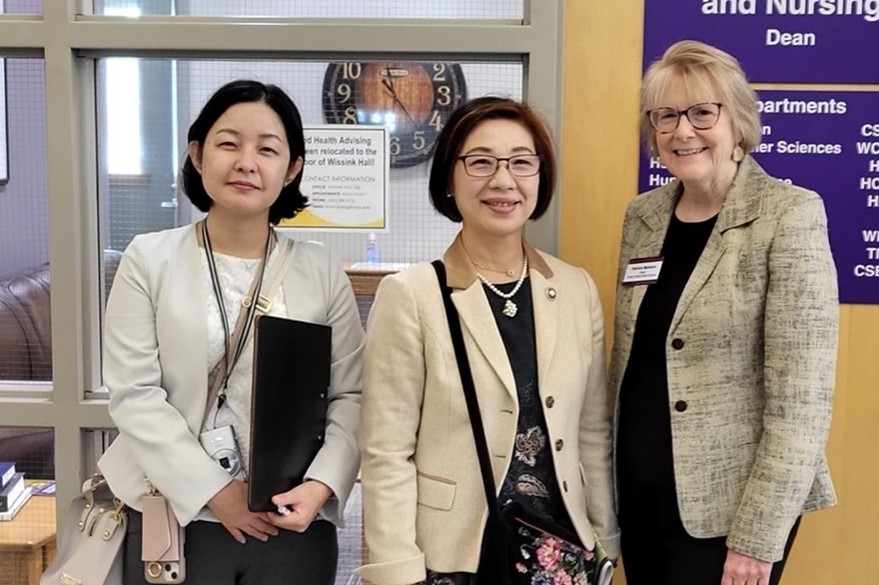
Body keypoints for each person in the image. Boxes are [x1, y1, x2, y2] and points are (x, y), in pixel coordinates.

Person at [99, 79, 364, 585]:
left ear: (291, 170)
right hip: (176, 517)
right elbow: (135, 394)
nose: (247, 162)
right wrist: (214, 491)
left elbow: (350, 393)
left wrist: (322, 485)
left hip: (291, 521)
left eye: (267, 149)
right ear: (198, 155)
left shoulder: (322, 270)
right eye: (228, 143)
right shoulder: (148, 259)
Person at [358, 96, 620, 585]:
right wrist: (395, 570)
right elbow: (386, 451)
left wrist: (603, 540)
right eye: (480, 162)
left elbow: (592, 432)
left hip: (559, 554)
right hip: (453, 557)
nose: (503, 181)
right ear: (450, 181)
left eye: (522, 162)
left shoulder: (576, 289)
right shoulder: (411, 295)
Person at [610, 40, 839, 585]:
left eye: (702, 112)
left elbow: (802, 403)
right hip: (640, 500)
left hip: (728, 515)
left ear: (737, 121)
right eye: (666, 115)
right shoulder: (643, 217)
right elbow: (630, 363)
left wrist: (758, 537)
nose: (682, 130)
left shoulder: (789, 215)